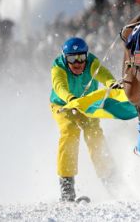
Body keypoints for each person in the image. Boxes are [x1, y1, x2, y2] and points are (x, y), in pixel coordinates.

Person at [50, 37, 120, 202]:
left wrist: (112, 83)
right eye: (72, 58)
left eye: (81, 57)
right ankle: (67, 188)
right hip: (63, 105)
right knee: (70, 131)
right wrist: (70, 98)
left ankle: (111, 181)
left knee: (94, 134)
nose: (77, 63)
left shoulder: (91, 62)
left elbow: (102, 73)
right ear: (65, 58)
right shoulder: (58, 67)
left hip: (86, 105)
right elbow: (59, 86)